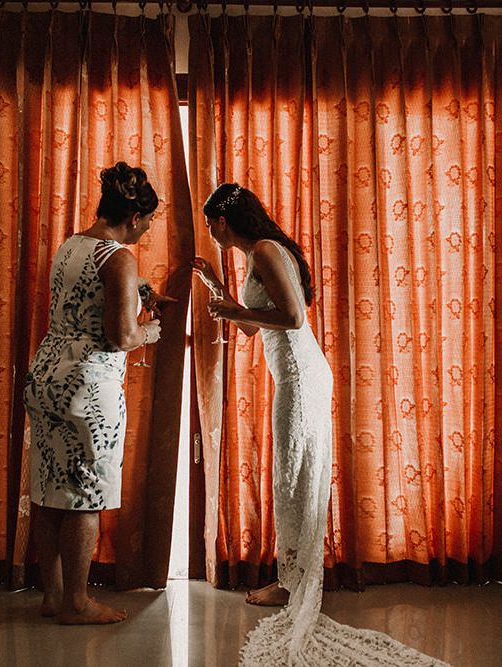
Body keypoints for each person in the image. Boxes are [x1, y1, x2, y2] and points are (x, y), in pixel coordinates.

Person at [193, 184, 445, 665]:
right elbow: (250, 324)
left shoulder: (265, 249)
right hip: (296, 375)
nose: (209, 232)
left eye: (209, 225)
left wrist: (234, 309)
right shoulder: (258, 253)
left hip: (300, 376)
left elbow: (291, 317)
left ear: (223, 223)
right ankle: (292, 578)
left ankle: (295, 585)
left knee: (294, 480)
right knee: (292, 479)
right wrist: (214, 288)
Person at [24, 162, 161, 625]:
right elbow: (122, 336)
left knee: (49, 486)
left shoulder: (72, 245)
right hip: (88, 386)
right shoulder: (119, 256)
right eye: (147, 223)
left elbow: (85, 295)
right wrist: (152, 329)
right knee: (85, 492)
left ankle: (54, 595)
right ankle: (79, 603)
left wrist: (141, 293)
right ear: (135, 219)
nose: (145, 232)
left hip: (47, 375)